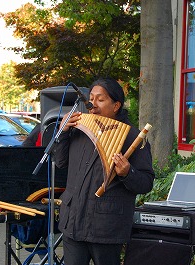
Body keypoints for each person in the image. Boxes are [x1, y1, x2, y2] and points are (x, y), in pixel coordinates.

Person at [53, 77, 155, 265]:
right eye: (91, 98)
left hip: (106, 227)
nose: (93, 104)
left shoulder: (133, 137)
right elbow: (60, 162)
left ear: (116, 105)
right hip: (73, 222)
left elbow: (146, 182)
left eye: (100, 99)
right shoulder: (78, 129)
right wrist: (62, 132)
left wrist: (127, 172)